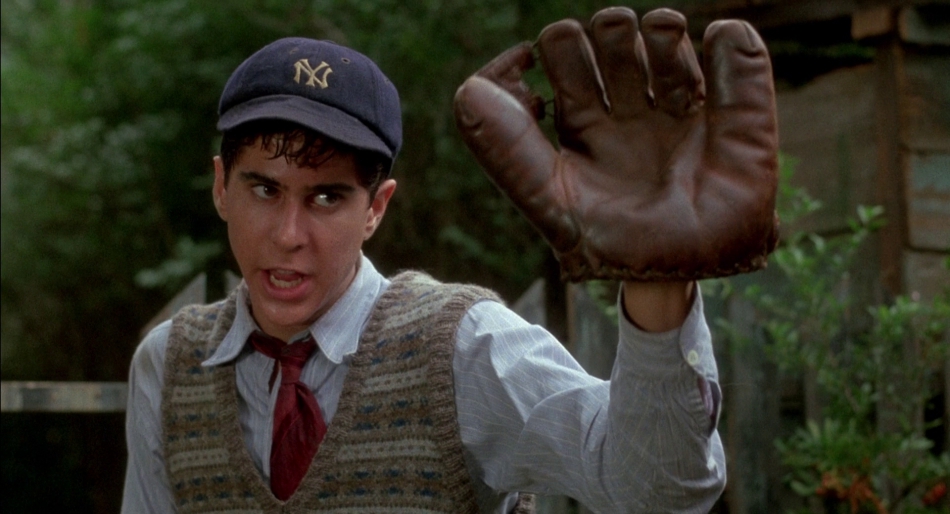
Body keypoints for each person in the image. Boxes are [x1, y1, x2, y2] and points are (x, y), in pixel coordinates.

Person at [123, 6, 780, 513]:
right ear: (221, 186)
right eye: (264, 190)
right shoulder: (168, 366)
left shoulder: (462, 348)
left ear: (376, 207)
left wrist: (659, 283)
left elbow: (659, 493)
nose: (289, 234)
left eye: (327, 197)